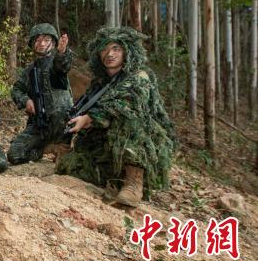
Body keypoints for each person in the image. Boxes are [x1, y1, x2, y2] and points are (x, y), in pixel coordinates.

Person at [56, 26, 176, 207]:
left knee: (129, 119)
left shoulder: (139, 76)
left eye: (116, 49)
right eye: (104, 49)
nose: (109, 54)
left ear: (127, 51)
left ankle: (133, 182)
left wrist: (90, 118)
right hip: (107, 146)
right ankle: (114, 179)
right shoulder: (99, 84)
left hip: (137, 145)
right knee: (68, 167)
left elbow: (126, 104)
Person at [8, 23, 73, 164]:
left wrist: (62, 53)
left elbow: (62, 65)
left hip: (61, 123)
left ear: (53, 43)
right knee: (15, 154)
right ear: (33, 44)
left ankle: (63, 146)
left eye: (46, 40)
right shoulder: (29, 71)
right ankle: (46, 149)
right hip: (40, 124)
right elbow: (16, 89)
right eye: (37, 40)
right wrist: (26, 100)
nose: (42, 43)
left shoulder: (56, 63)